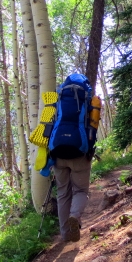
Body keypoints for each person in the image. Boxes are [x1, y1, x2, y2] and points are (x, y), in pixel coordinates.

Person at [47, 73, 100, 242]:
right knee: (81, 191)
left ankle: (65, 234)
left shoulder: (59, 96)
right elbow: (93, 126)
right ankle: (75, 216)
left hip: (58, 150)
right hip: (79, 151)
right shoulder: (89, 99)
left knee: (63, 193)